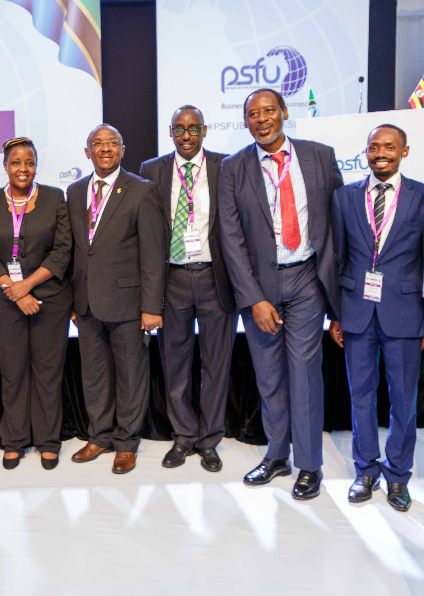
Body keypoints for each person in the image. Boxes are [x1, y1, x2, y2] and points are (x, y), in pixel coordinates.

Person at [218, 88, 343, 500]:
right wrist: (254, 299)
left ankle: (309, 464)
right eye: (253, 114)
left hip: (307, 278)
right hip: (260, 287)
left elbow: (338, 223)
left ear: (284, 112)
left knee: (304, 373)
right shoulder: (233, 168)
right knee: (269, 377)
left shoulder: (319, 156)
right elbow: (231, 238)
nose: (261, 119)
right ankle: (276, 455)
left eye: (268, 110)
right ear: (246, 121)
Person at [329, 125, 424, 512]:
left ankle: (397, 475)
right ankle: (365, 470)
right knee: (360, 395)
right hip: (356, 311)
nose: (380, 153)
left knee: (403, 400)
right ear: (366, 152)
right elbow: (337, 258)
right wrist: (336, 314)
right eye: (374, 147)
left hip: (406, 313)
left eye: (389, 147)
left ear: (404, 152)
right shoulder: (344, 197)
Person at [139, 105, 236, 471]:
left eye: (193, 128)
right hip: (173, 278)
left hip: (215, 277)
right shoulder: (152, 169)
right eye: (179, 128)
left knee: (216, 363)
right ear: (170, 132)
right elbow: (148, 231)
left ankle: (209, 439)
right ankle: (183, 435)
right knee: (175, 361)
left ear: (205, 131)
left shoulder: (225, 165)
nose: (186, 135)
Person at [67, 123, 167, 475]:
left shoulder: (142, 190)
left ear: (123, 150)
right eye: (98, 143)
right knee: (94, 376)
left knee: (130, 375)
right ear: (87, 152)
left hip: (128, 303)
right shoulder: (75, 191)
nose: (105, 148)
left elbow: (153, 254)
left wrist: (151, 307)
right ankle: (99, 436)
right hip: (86, 303)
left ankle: (126, 443)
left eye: (113, 143)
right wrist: (72, 301)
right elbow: (75, 251)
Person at [0, 137, 73, 470]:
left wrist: (27, 287)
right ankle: (15, 440)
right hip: (6, 301)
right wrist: (14, 290)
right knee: (13, 371)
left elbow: (62, 250)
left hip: (51, 299)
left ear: (36, 166)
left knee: (48, 372)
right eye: (16, 162)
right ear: (5, 166)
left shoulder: (54, 197)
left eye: (29, 162)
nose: (23, 168)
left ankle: (48, 440)